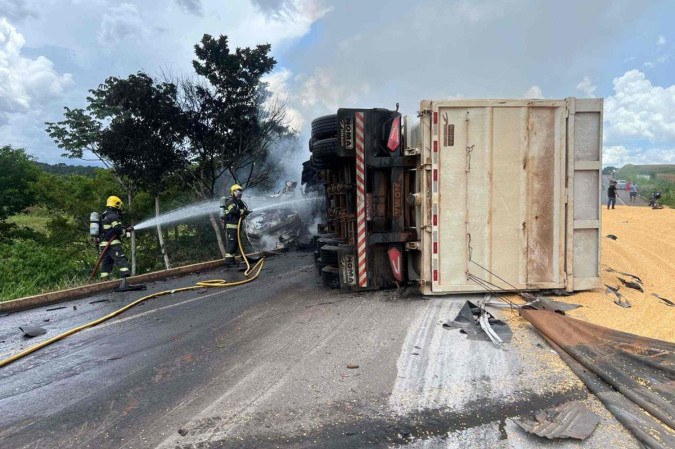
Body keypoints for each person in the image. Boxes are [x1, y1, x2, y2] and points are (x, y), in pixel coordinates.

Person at [99, 195, 131, 279]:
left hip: (103, 244)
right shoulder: (113, 216)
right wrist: (125, 231)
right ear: (116, 204)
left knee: (107, 262)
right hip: (113, 243)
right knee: (120, 259)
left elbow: (108, 230)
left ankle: (104, 281)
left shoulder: (103, 215)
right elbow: (117, 230)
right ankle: (126, 279)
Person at [220, 184, 251, 267]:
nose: (239, 193)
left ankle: (232, 261)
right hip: (231, 226)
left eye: (240, 191)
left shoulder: (238, 202)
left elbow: (243, 210)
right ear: (232, 192)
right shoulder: (230, 201)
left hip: (237, 226)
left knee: (236, 243)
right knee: (232, 243)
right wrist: (243, 212)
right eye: (236, 191)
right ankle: (228, 262)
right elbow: (234, 211)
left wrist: (246, 212)